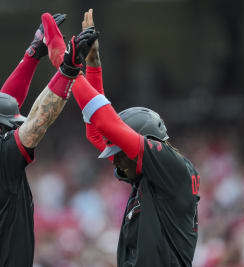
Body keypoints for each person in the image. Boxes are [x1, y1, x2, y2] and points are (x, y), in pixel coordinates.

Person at [0, 13, 98, 267]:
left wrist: (32, 55)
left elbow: (3, 105)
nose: (15, 127)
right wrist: (67, 71)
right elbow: (38, 121)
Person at [66, 9, 200, 267]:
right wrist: (92, 66)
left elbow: (105, 121)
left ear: (147, 142)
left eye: (119, 152)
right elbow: (97, 130)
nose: (115, 161)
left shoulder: (173, 168)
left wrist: (67, 66)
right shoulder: (151, 176)